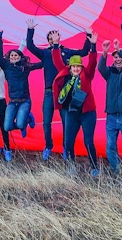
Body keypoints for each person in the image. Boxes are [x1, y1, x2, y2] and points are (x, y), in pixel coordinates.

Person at [25, 19, 91, 160]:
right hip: (49, 92)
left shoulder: (67, 52)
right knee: (47, 122)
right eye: (50, 38)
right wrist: (30, 30)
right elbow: (30, 46)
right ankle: (48, 146)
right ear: (48, 40)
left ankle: (66, 148)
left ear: (59, 37)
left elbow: (85, 51)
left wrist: (88, 36)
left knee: (66, 122)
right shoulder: (45, 53)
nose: (52, 40)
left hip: (64, 93)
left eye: (54, 37)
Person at [51, 31, 99, 176]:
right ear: (70, 67)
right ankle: (71, 166)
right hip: (71, 113)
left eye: (78, 66)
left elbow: (92, 62)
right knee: (68, 142)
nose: (76, 69)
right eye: (74, 66)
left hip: (87, 113)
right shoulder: (65, 74)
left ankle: (94, 166)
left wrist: (93, 45)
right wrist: (55, 45)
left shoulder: (87, 75)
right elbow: (57, 60)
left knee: (88, 141)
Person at [0, 30, 43, 146]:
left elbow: (40, 65)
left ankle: (26, 118)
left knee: (21, 124)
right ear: (9, 57)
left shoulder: (25, 67)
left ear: (20, 57)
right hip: (12, 102)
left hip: (24, 101)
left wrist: (50, 57)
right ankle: (26, 119)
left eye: (16, 55)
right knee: (7, 127)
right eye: (11, 55)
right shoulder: (6, 67)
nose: (13, 56)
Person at [98, 38, 122, 173]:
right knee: (110, 146)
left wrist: (120, 50)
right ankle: (117, 170)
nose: (118, 59)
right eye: (115, 57)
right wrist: (104, 52)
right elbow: (100, 67)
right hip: (111, 115)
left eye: (120, 56)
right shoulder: (109, 72)